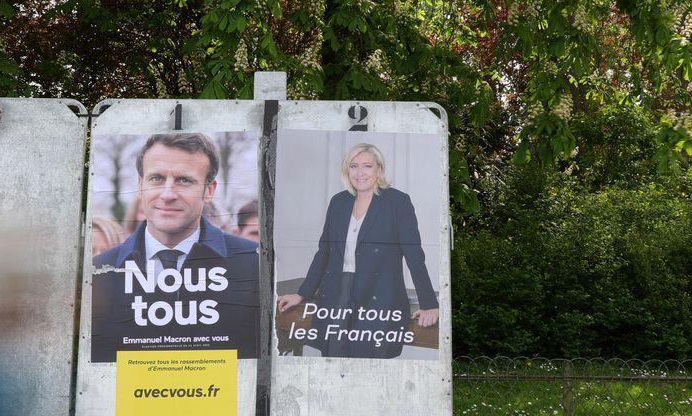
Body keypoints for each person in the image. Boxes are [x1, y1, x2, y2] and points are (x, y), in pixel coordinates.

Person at [90, 132, 259, 363]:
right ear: (140, 186)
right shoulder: (99, 273)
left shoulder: (253, 266)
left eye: (184, 180)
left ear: (209, 190)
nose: (167, 194)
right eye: (157, 178)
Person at [276, 143, 438, 358]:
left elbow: (414, 255)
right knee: (334, 358)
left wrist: (428, 304)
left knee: (370, 361)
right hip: (337, 293)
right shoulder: (338, 202)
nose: (360, 172)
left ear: (379, 170)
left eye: (367, 166)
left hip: (378, 294)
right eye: (353, 166)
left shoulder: (397, 202)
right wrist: (302, 294)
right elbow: (324, 252)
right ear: (347, 171)